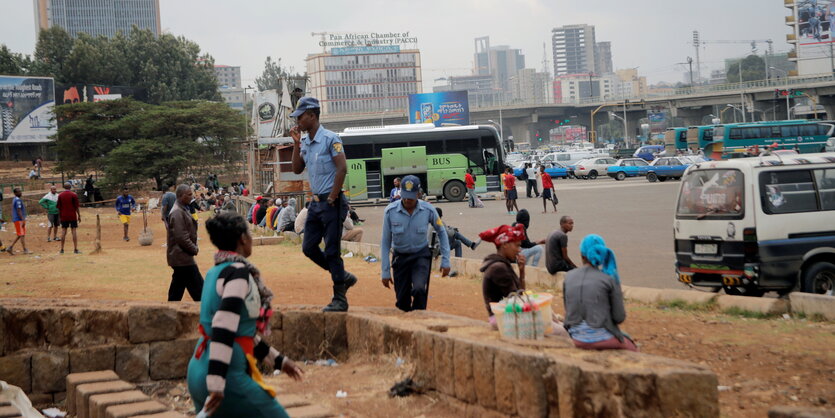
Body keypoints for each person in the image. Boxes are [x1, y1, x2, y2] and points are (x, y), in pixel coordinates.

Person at [186, 212, 304, 418]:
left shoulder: (215, 271)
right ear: (242, 238)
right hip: (226, 375)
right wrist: (217, 383)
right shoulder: (239, 274)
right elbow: (224, 326)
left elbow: (241, 332)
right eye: (249, 233)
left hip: (199, 367)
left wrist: (279, 361)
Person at [290, 96, 358, 312]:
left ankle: (340, 298)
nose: (298, 121)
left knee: (331, 250)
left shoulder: (330, 139)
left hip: (332, 201)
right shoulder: (307, 142)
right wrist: (296, 144)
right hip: (316, 203)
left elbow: (342, 168)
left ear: (312, 115)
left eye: (300, 117)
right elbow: (296, 169)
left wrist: (333, 196)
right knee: (309, 247)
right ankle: (343, 276)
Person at [380, 175, 450, 312]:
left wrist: (446, 260)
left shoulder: (429, 210)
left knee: (419, 290)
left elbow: (442, 232)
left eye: (411, 196)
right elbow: (385, 242)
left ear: (419, 194)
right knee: (402, 301)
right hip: (400, 259)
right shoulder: (390, 211)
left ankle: (419, 320)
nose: (407, 200)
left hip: (420, 257)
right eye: (404, 196)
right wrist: (385, 271)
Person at [563, 234, 637, 352]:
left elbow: (569, 310)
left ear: (582, 255)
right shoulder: (609, 279)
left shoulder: (569, 276)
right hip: (601, 338)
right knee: (632, 347)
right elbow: (619, 317)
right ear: (603, 254)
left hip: (575, 336)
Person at [478, 224, 527, 327]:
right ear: (505, 244)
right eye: (517, 245)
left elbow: (519, 295)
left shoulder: (501, 264)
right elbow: (517, 300)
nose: (519, 250)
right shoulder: (499, 268)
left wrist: (522, 271)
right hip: (503, 320)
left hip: (503, 317)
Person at [167, 184, 204, 301]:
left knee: (176, 290)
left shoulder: (182, 209)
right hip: (183, 258)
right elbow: (181, 237)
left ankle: (168, 312)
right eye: (189, 195)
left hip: (180, 257)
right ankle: (207, 315)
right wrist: (194, 248)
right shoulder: (177, 212)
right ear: (181, 196)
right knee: (200, 292)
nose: (191, 196)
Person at [56, 182, 81, 254]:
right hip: (72, 215)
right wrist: (79, 215)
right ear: (70, 187)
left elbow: (59, 207)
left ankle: (62, 249)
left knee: (63, 231)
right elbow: (76, 207)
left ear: (64, 187)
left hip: (64, 215)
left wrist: (59, 217)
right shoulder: (74, 195)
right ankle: (75, 249)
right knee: (74, 231)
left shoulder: (60, 195)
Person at [6, 188, 30, 255]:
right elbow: (19, 210)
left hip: (17, 219)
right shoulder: (18, 200)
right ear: (15, 193)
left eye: (20, 191)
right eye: (19, 192)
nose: (20, 193)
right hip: (19, 219)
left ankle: (10, 248)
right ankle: (25, 249)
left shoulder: (15, 199)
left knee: (20, 234)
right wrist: (23, 220)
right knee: (22, 235)